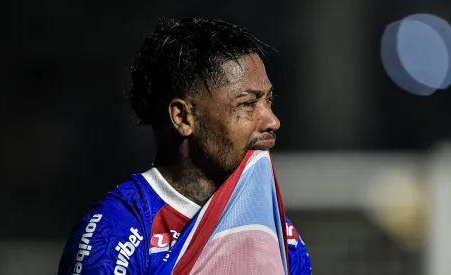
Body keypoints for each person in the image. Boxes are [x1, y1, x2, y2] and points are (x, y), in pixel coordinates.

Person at [58, 17, 311, 275]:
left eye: (269, 101)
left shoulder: (280, 235)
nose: (273, 121)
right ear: (183, 117)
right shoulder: (116, 233)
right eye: (247, 104)